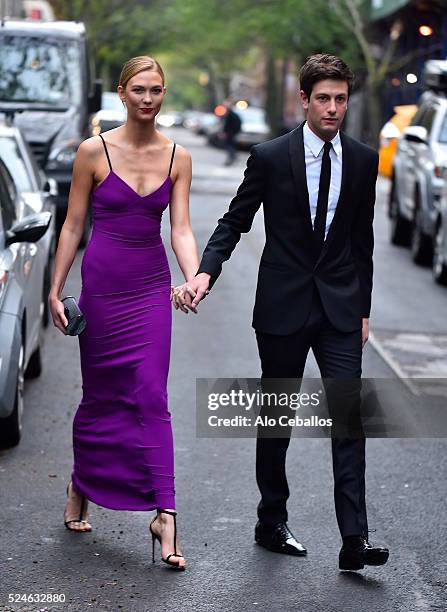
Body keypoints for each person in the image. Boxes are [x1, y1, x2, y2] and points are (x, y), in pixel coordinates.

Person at [174, 54, 390, 571]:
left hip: (339, 308)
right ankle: (271, 520)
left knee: (348, 420)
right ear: (304, 100)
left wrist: (361, 308)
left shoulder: (361, 161)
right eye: (323, 98)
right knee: (277, 418)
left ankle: (354, 540)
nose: (333, 108)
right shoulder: (271, 157)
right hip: (284, 305)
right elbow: (235, 220)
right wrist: (205, 272)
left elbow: (363, 243)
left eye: (340, 99)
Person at [49, 56, 200, 571]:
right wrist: (55, 289)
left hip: (151, 289)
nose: (148, 99)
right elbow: (72, 227)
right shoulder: (94, 151)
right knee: (102, 395)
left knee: (152, 396)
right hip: (103, 289)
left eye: (157, 90)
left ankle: (165, 514)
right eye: (139, 89)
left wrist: (194, 275)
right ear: (121, 92)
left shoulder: (178, 156)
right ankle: (80, 486)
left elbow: (179, 227)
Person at [221, 99, 242, 166]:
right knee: (231, 145)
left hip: (230, 133)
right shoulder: (232, 114)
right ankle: (232, 157)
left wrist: (225, 132)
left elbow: (227, 124)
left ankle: (231, 158)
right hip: (232, 133)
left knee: (229, 146)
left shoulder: (230, 114)